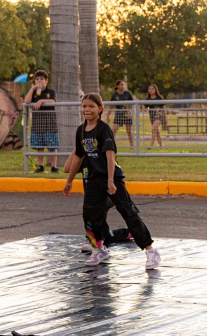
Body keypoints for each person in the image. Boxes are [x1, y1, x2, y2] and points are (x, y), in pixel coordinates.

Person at [64, 93, 161, 270]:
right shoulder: (80, 131)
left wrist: (110, 180)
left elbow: (110, 156)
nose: (87, 109)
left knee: (128, 211)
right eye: (84, 106)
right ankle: (99, 249)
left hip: (111, 178)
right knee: (90, 215)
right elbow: (78, 156)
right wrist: (69, 182)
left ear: (100, 109)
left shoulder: (104, 129)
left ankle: (150, 251)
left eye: (91, 106)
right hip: (93, 180)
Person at [29, 71, 59, 172]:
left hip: (50, 123)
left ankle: (54, 166)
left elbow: (53, 101)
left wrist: (41, 101)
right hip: (37, 123)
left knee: (52, 146)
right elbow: (26, 101)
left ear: (46, 80)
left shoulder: (51, 91)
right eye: (37, 79)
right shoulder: (34, 92)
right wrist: (32, 88)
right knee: (39, 146)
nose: (39, 81)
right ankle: (40, 166)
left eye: (41, 79)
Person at [109, 80, 134, 147]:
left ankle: (132, 146)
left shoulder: (127, 93)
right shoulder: (114, 95)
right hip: (118, 114)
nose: (123, 86)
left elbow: (133, 103)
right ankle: (112, 146)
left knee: (129, 131)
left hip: (127, 114)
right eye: (121, 85)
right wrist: (108, 115)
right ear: (117, 86)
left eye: (124, 84)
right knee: (114, 130)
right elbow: (111, 105)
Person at [144, 84, 166, 148]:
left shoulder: (159, 98)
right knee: (156, 131)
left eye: (152, 89)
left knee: (154, 128)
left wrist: (165, 116)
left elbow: (163, 107)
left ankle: (151, 145)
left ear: (155, 90)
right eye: (149, 89)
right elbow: (145, 107)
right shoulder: (148, 99)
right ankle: (161, 145)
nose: (151, 90)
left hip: (159, 115)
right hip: (152, 116)